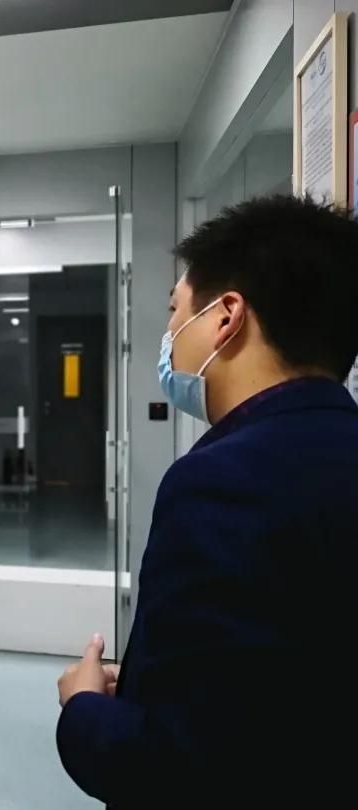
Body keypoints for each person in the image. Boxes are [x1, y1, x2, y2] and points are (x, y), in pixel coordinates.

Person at [55, 195, 358, 808]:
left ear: (225, 317)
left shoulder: (222, 482)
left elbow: (176, 764)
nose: (169, 335)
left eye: (175, 311)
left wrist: (83, 707)